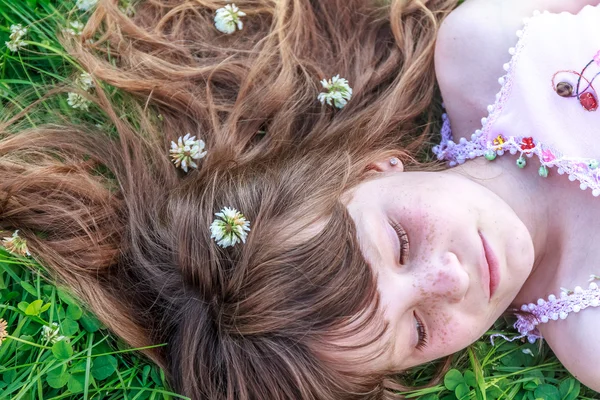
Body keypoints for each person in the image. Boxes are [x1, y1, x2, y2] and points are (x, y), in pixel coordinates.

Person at [1, 0, 599, 399]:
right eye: (417, 330)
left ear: (373, 169)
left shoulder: (486, 50)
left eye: (401, 242)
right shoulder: (590, 337)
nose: (446, 280)